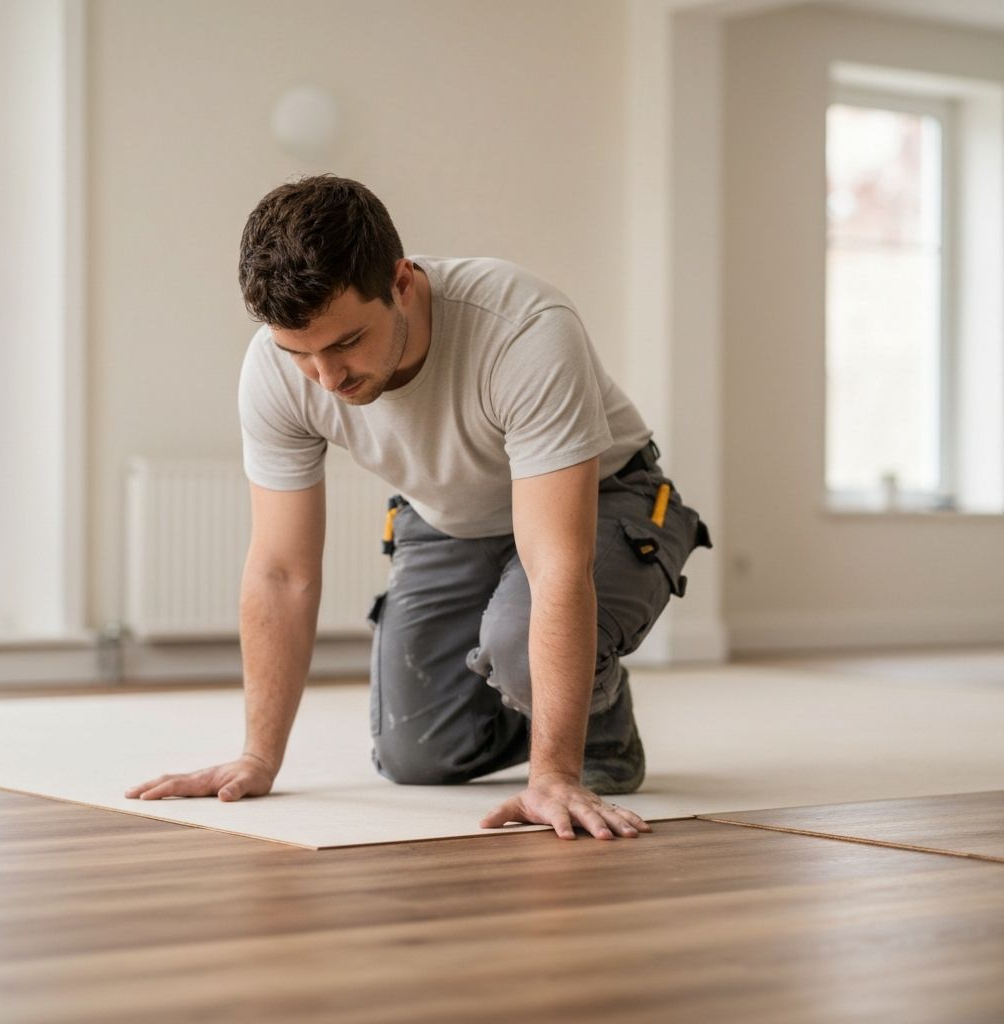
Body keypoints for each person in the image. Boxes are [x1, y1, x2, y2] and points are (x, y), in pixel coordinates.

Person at [126, 174, 712, 841]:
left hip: (608, 499)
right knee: (417, 756)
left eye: (346, 342)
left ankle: (600, 738)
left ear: (402, 282)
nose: (327, 378)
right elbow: (282, 572)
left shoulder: (524, 329)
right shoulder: (271, 369)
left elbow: (556, 566)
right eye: (301, 354)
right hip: (448, 517)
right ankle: (547, 684)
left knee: (519, 636)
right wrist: (259, 758)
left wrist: (552, 772)